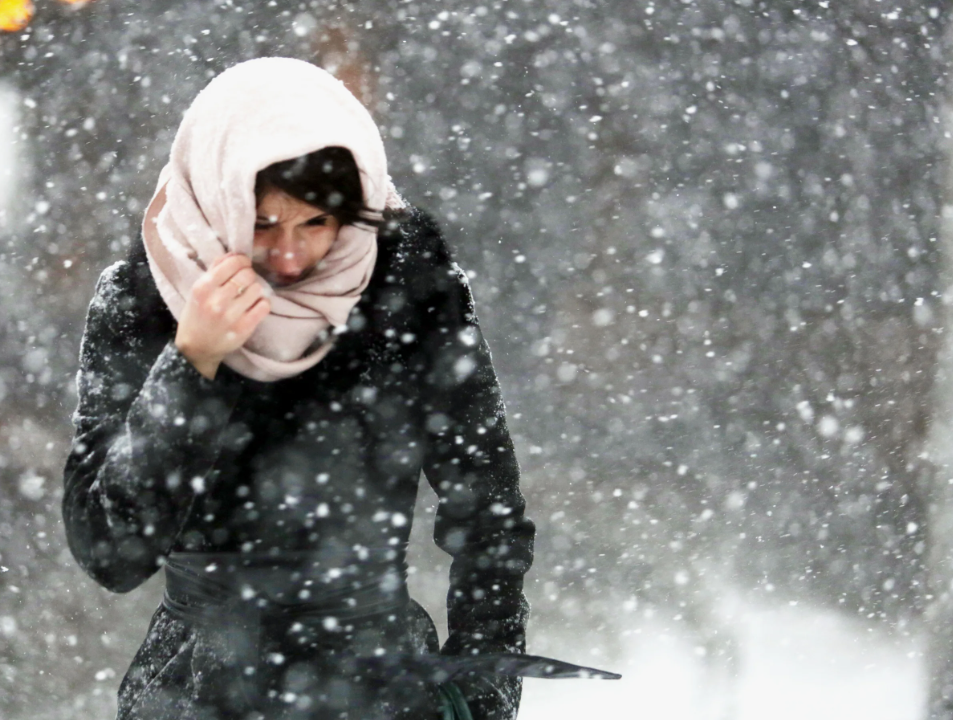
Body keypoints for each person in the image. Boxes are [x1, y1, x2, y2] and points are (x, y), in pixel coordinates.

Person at [63, 57, 612, 720]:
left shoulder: (410, 292)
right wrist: (192, 365)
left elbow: (488, 513)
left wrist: (485, 693)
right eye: (263, 223)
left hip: (379, 686)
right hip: (198, 692)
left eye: (316, 224)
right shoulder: (145, 301)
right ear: (219, 198)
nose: (290, 257)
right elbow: (110, 552)